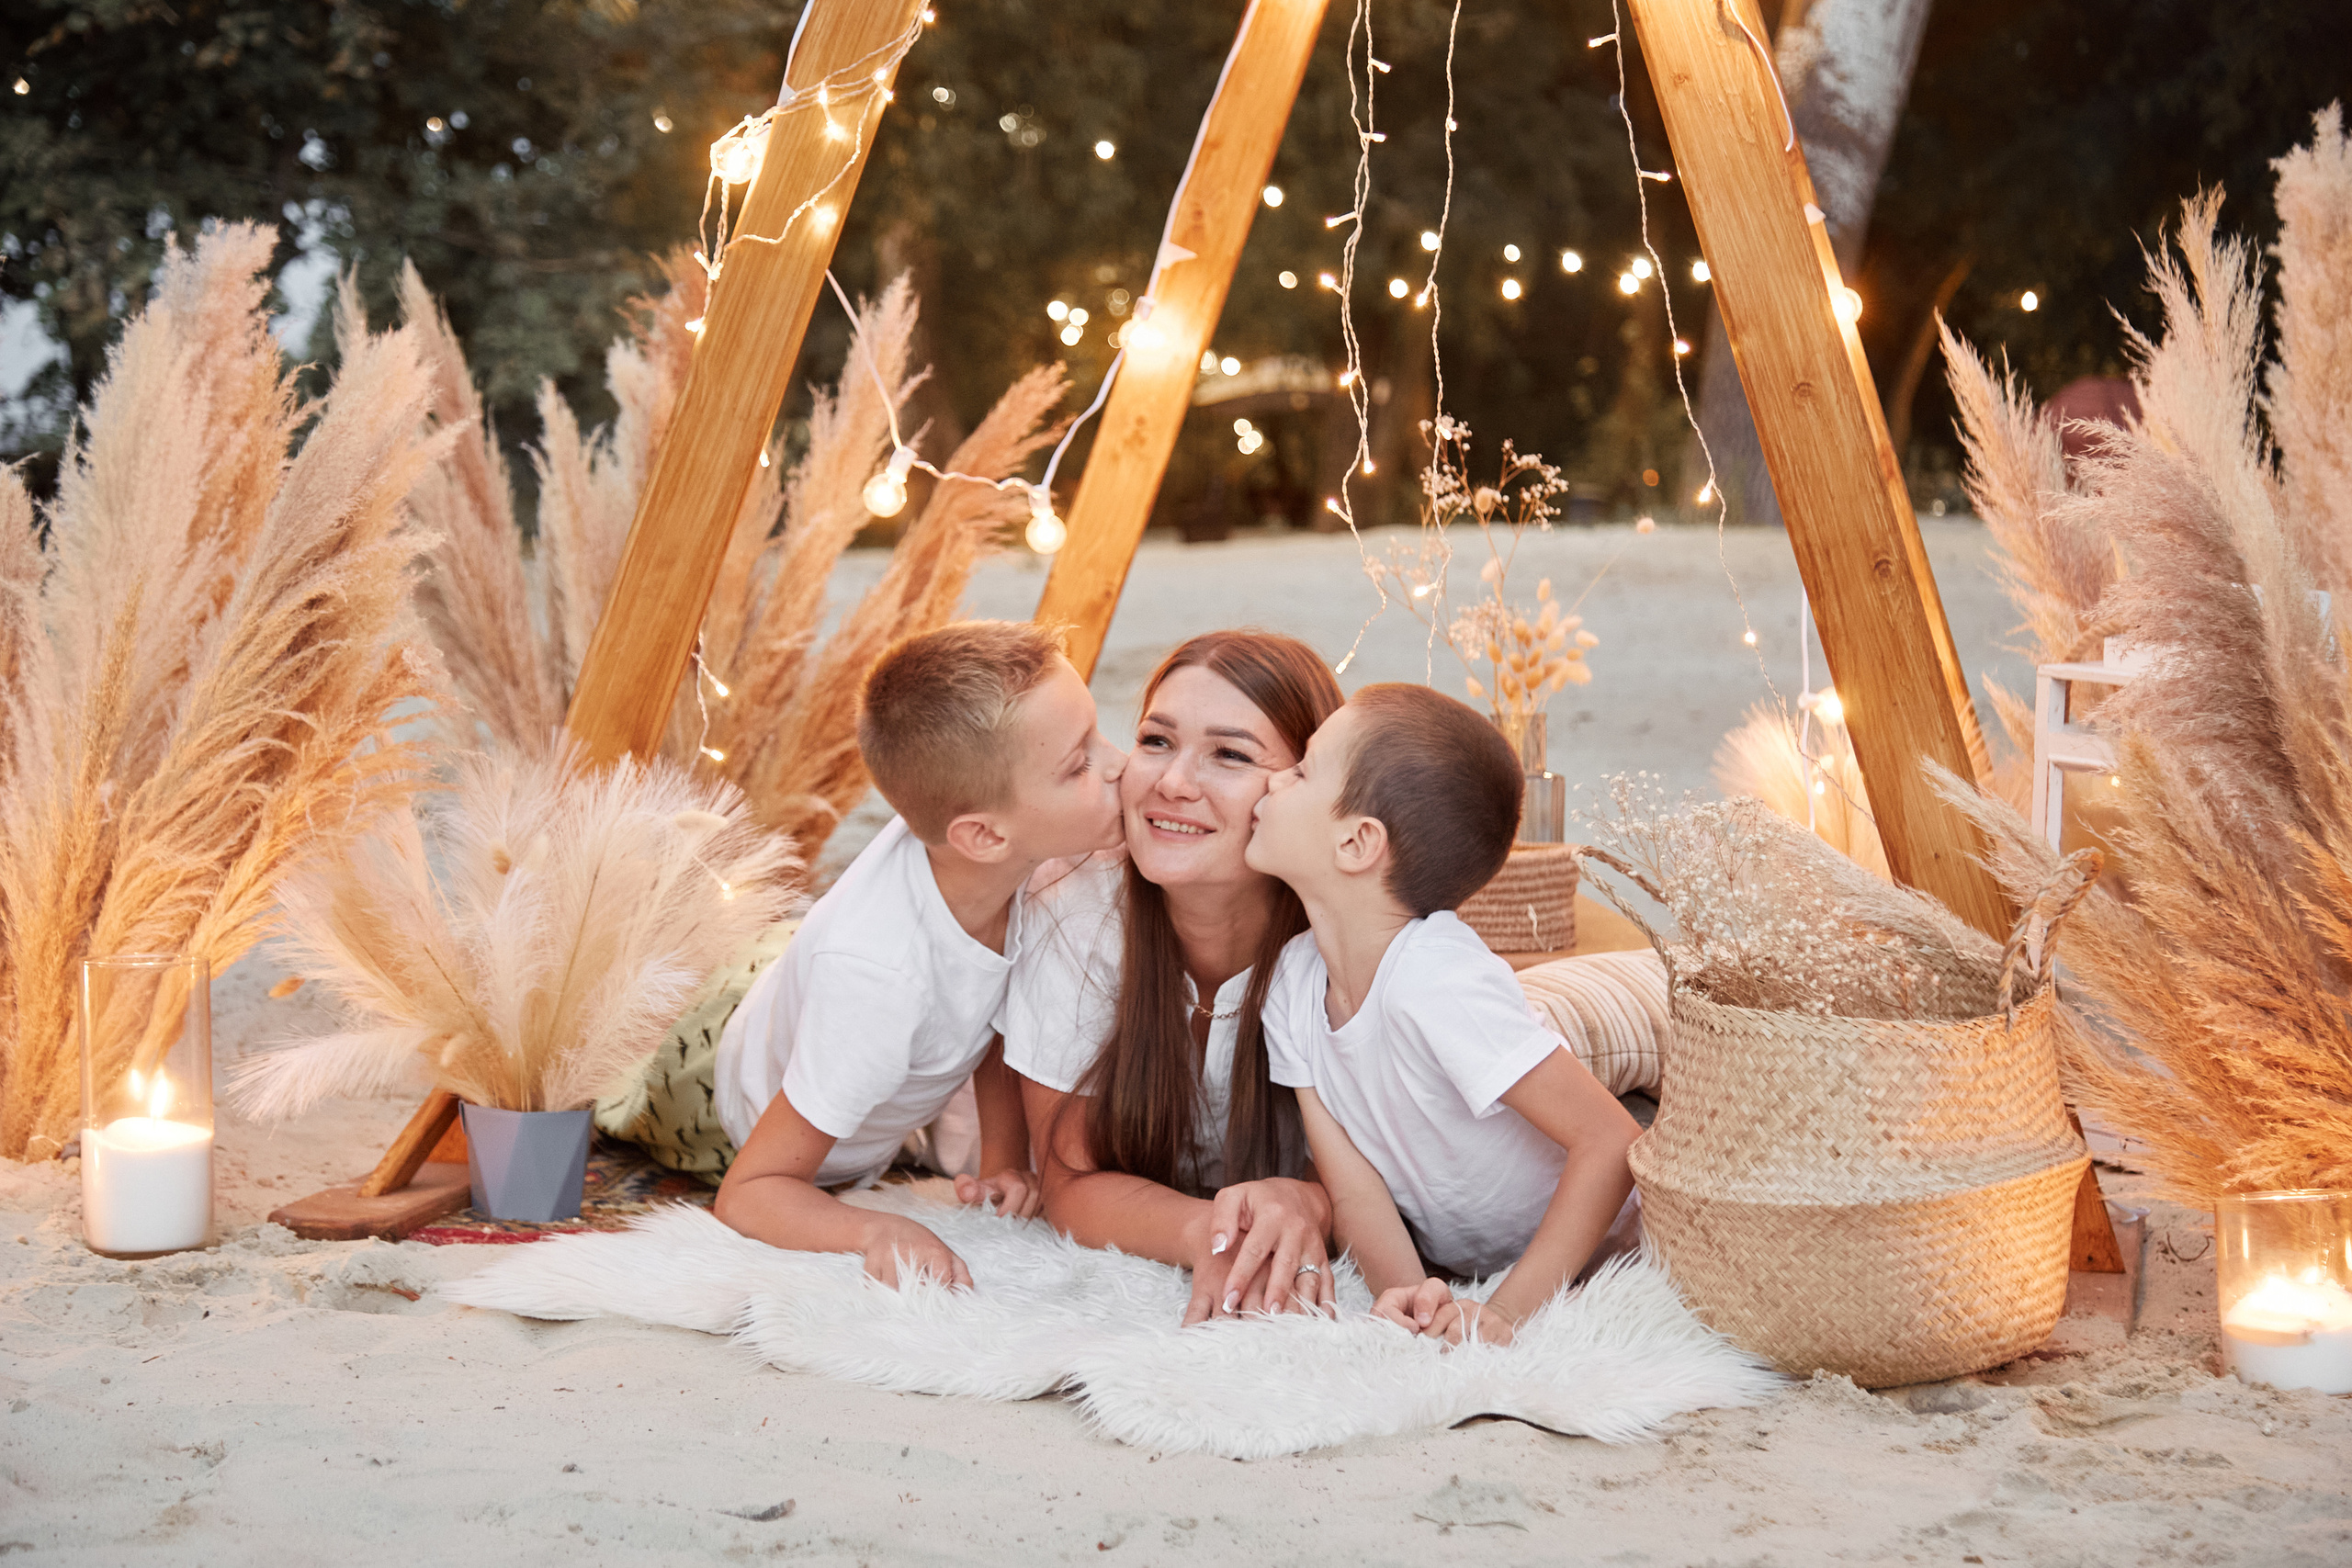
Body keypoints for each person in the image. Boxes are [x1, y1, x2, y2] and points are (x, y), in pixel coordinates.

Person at [711, 621, 1127, 1288]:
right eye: (1079, 763)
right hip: (725, 1100)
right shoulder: (880, 979)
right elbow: (749, 1191)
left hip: (862, 1024)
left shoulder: (1008, 861)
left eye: (1097, 735)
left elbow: (995, 1005)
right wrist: (880, 1227)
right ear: (984, 834)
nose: (1119, 763)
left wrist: (1003, 1157)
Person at [1246, 682, 1642, 1347]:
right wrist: (1409, 1295)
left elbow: (1612, 1141)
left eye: (1303, 768)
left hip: (1606, 1243)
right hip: (1469, 1262)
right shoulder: (1290, 982)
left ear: (1356, 842)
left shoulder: (1434, 976)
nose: (1275, 775)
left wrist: (1507, 1312)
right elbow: (1357, 1188)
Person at [1007, 631, 1346, 1324]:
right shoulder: (1074, 905)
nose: (1172, 782)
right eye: (1156, 740)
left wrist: (1304, 1200)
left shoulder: (1342, 938)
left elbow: (1406, 1165)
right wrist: (1207, 1233)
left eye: (1229, 754)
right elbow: (1067, 1180)